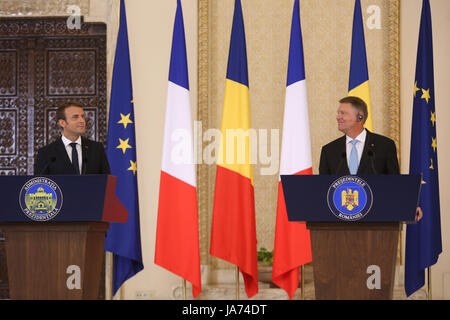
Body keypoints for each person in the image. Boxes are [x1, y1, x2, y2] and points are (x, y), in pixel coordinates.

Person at [319, 96, 422, 221]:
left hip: (377, 222)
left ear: (360, 117)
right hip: (339, 224)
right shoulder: (329, 150)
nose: (338, 117)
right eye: (338, 113)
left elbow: (394, 182)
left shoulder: (385, 145)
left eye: (343, 113)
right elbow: (324, 190)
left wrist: (408, 206)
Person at [34, 102, 110, 175]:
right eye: (75, 117)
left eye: (82, 116)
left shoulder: (96, 149)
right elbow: (40, 184)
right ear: (62, 123)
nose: (82, 121)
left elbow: (107, 181)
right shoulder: (46, 153)